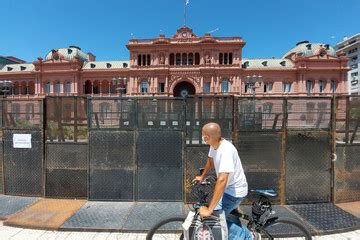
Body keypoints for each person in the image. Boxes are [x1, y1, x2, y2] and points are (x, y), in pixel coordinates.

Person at [193, 122, 253, 239]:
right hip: (228, 189)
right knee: (226, 217)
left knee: (215, 220)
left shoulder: (226, 151)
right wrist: (202, 176)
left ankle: (248, 236)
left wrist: (209, 210)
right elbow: (210, 160)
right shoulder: (214, 144)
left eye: (202, 135)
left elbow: (222, 180)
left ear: (207, 137)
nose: (202, 137)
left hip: (234, 192)